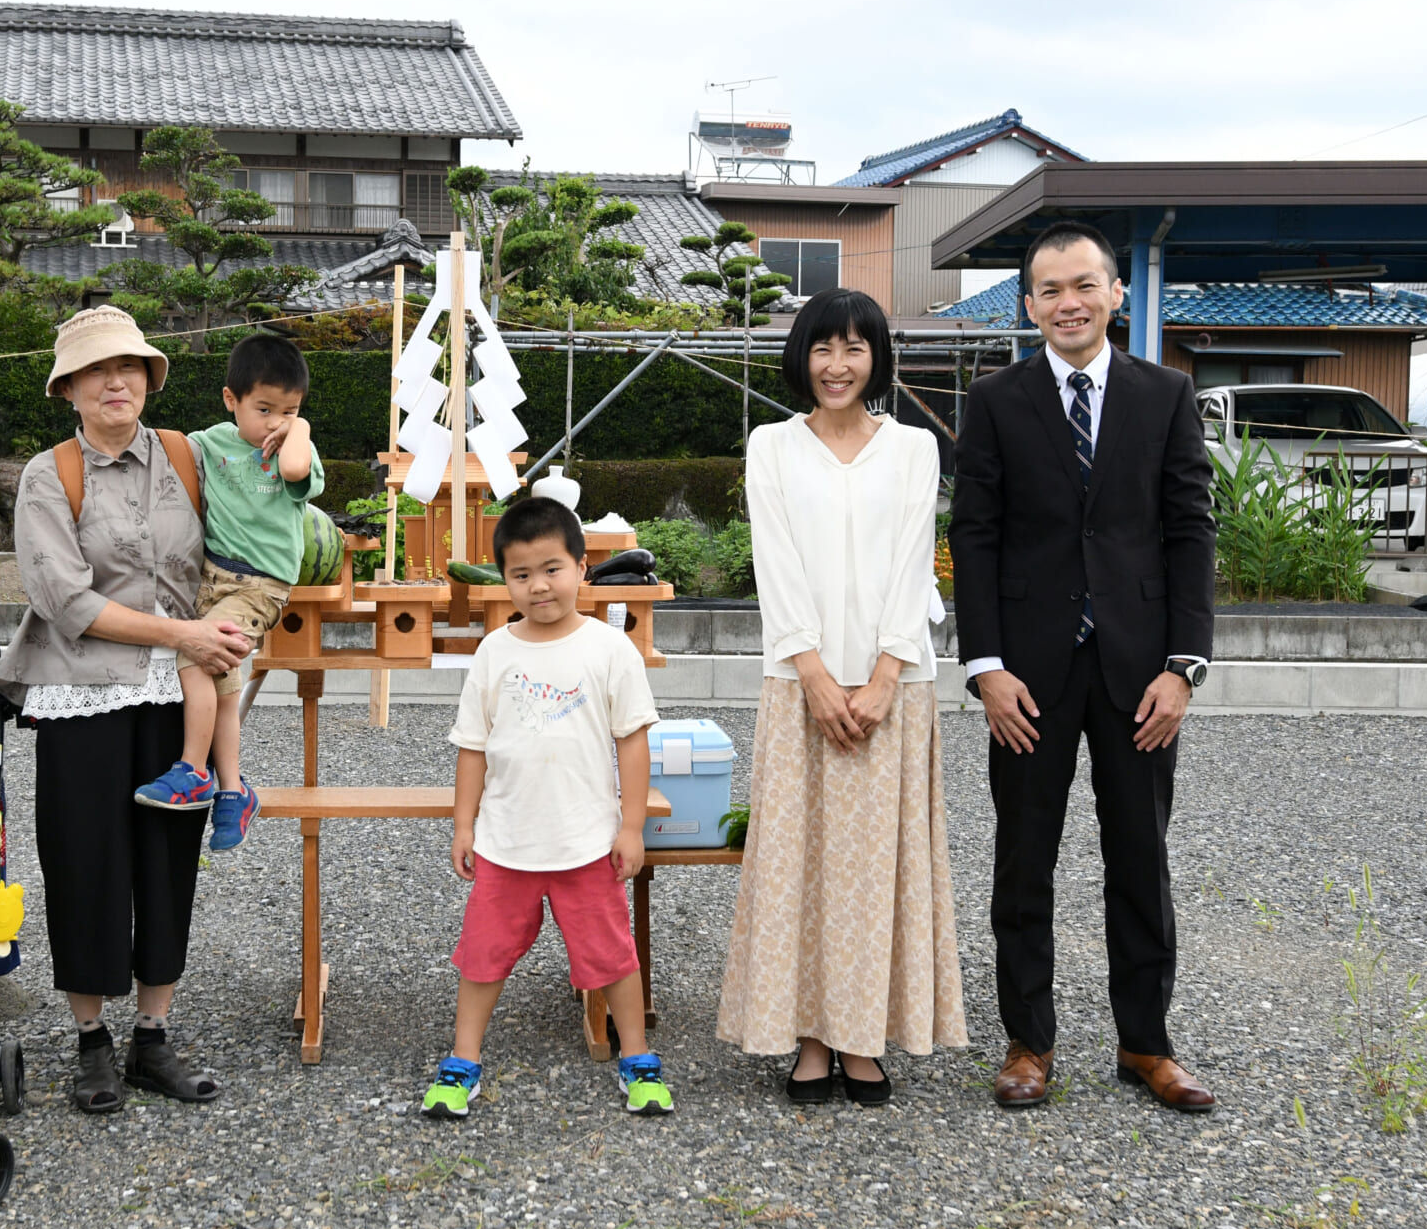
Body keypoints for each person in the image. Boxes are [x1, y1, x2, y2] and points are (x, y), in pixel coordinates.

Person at [949, 221, 1217, 1114]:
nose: (1067, 303)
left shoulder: (1166, 394)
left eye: (1083, 286)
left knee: (1141, 858)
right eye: (1049, 290)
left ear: (1116, 294)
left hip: (1143, 671)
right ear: (1028, 304)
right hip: (1026, 673)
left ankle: (1147, 1044)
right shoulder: (994, 400)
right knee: (1024, 861)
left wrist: (1185, 665)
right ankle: (1029, 1042)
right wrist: (985, 665)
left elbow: (1189, 531)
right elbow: (974, 536)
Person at [0, 306, 257, 1114]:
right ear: (68, 388)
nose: (118, 381)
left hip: (180, 692)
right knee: (84, 863)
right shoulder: (50, 476)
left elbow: (255, 510)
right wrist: (184, 630)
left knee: (166, 860)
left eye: (132, 367)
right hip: (84, 692)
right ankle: (90, 1043)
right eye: (98, 370)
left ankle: (152, 1037)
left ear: (149, 379)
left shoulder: (186, 455)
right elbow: (66, 602)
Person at [716, 289, 967, 1106]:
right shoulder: (771, 446)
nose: (838, 365)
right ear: (803, 355)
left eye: (856, 349)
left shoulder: (914, 449)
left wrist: (888, 673)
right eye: (823, 348)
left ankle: (865, 1038)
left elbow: (910, 562)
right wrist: (815, 673)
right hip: (800, 685)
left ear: (877, 359)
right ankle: (812, 1038)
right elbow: (775, 561)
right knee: (804, 865)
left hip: (897, 687)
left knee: (877, 868)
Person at [420, 495, 673, 1121]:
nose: (539, 586)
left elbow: (633, 742)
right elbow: (472, 747)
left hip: (587, 839)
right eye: (521, 574)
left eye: (552, 568)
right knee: (481, 955)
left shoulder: (611, 651)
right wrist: (463, 823)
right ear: (503, 579)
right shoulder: (494, 652)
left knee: (613, 953)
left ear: (582, 569)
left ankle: (637, 1057)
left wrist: (632, 826)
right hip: (506, 840)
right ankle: (462, 1060)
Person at [132, 332, 324, 850]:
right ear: (230, 400)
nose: (276, 421)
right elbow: (162, 452)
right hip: (212, 578)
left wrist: (297, 429)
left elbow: (294, 471)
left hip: (261, 585)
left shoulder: (297, 446)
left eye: (290, 409)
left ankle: (194, 771)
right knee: (220, 682)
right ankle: (234, 792)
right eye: (264, 409)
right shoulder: (211, 442)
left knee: (196, 658)